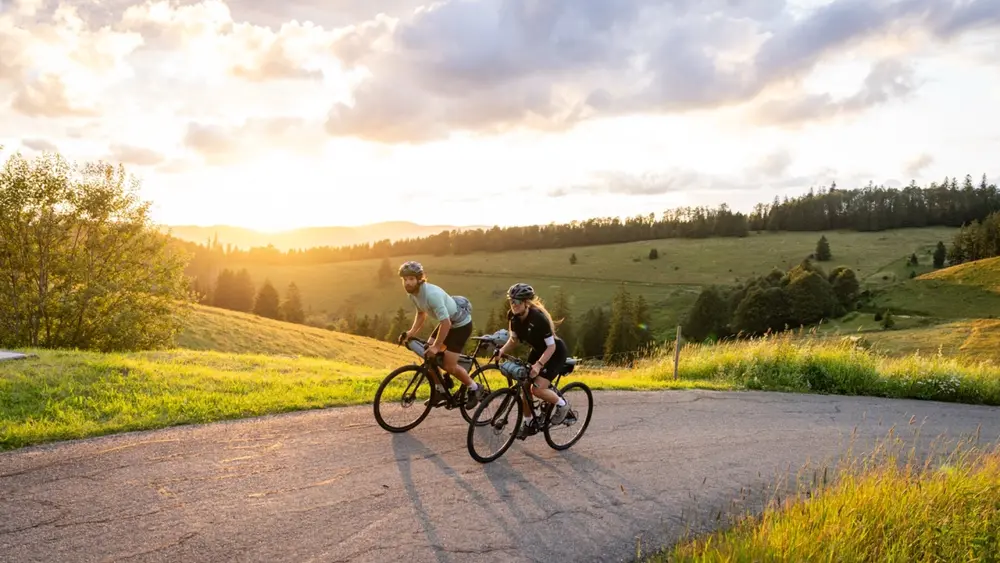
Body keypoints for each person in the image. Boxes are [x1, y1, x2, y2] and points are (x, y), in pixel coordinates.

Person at [398, 260, 485, 409]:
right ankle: (440, 390)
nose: (407, 283)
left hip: (460, 326)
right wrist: (411, 333)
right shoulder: (413, 294)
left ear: (420, 279)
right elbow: (421, 313)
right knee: (428, 355)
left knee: (448, 365)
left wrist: (437, 346)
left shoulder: (432, 295)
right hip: (447, 323)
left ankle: (475, 388)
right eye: (405, 279)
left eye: (411, 279)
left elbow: (446, 324)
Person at [494, 282, 571, 437]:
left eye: (516, 302)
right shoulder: (513, 317)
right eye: (511, 301)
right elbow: (514, 340)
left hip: (554, 353)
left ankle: (563, 406)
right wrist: (501, 351)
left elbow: (551, 348)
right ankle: (528, 423)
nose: (513, 305)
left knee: (536, 389)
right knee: (524, 386)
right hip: (537, 351)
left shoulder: (538, 319)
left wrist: (538, 365)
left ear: (525, 303)